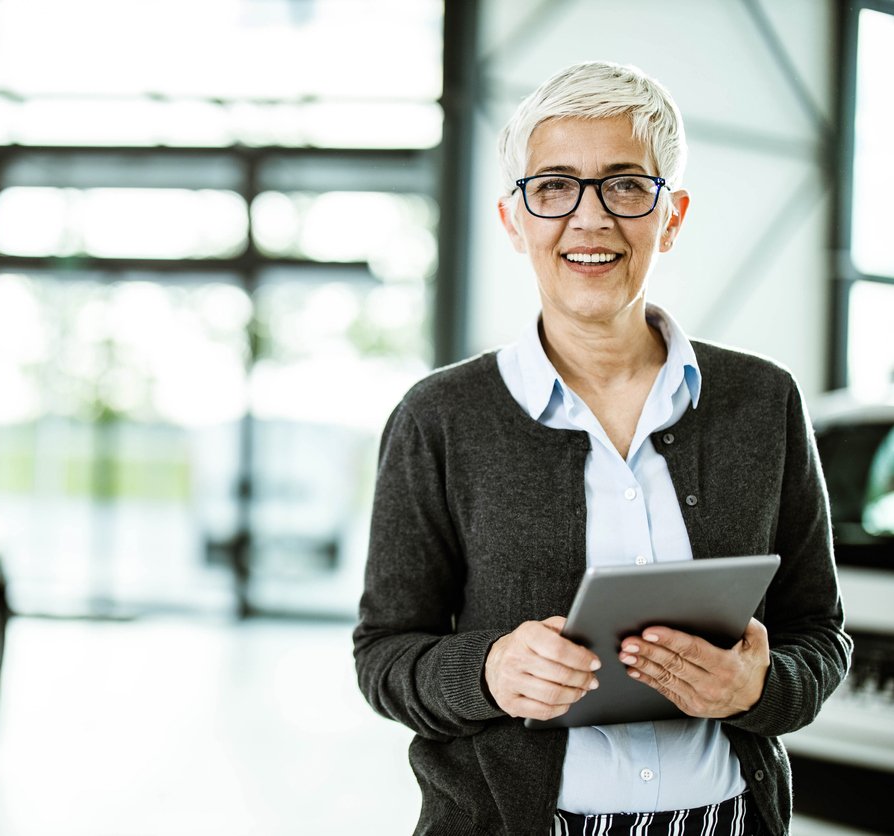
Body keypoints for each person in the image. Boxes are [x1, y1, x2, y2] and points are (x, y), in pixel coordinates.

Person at [352, 61, 852, 836]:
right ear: (514, 219)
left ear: (671, 215)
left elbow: (818, 635)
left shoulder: (763, 403)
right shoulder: (440, 418)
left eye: (625, 186)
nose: (590, 218)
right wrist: (487, 671)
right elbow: (384, 658)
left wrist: (758, 688)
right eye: (553, 187)